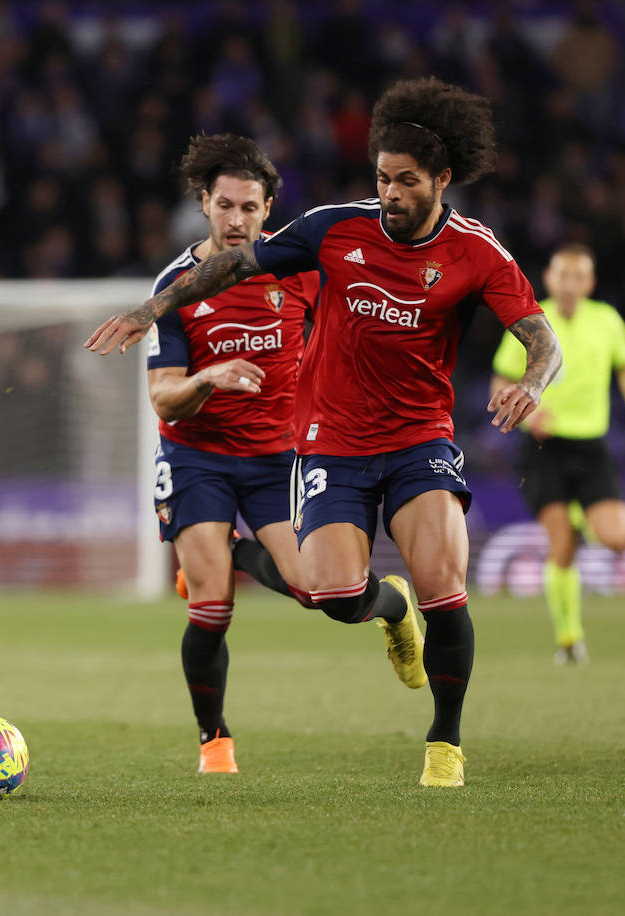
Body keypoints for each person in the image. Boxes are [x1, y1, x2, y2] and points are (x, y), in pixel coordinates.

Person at [88, 77, 563, 788]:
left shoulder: (477, 252)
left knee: (445, 585)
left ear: (442, 179)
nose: (391, 194)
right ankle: (376, 610)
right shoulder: (335, 230)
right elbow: (231, 267)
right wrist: (152, 309)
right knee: (335, 595)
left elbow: (542, 339)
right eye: (382, 179)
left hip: (418, 437)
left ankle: (445, 743)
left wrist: (531, 383)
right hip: (324, 442)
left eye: (406, 182)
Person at [146, 133, 425, 776]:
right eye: (224, 206)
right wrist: (208, 380)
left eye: (249, 207)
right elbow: (164, 400)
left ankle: (394, 606)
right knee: (212, 605)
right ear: (204, 204)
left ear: (269, 209)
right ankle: (215, 741)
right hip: (197, 455)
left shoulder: (302, 272)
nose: (236, 220)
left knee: (322, 594)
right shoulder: (177, 285)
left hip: (281, 455)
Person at [491, 243, 625, 664]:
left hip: (591, 445)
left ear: (590, 282)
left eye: (579, 276)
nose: (570, 284)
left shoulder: (607, 321)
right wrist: (528, 416)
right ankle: (569, 639)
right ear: (549, 278)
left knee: (617, 536)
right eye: (563, 275)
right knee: (561, 542)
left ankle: (581, 513)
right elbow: (501, 382)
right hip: (544, 448)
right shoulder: (530, 322)